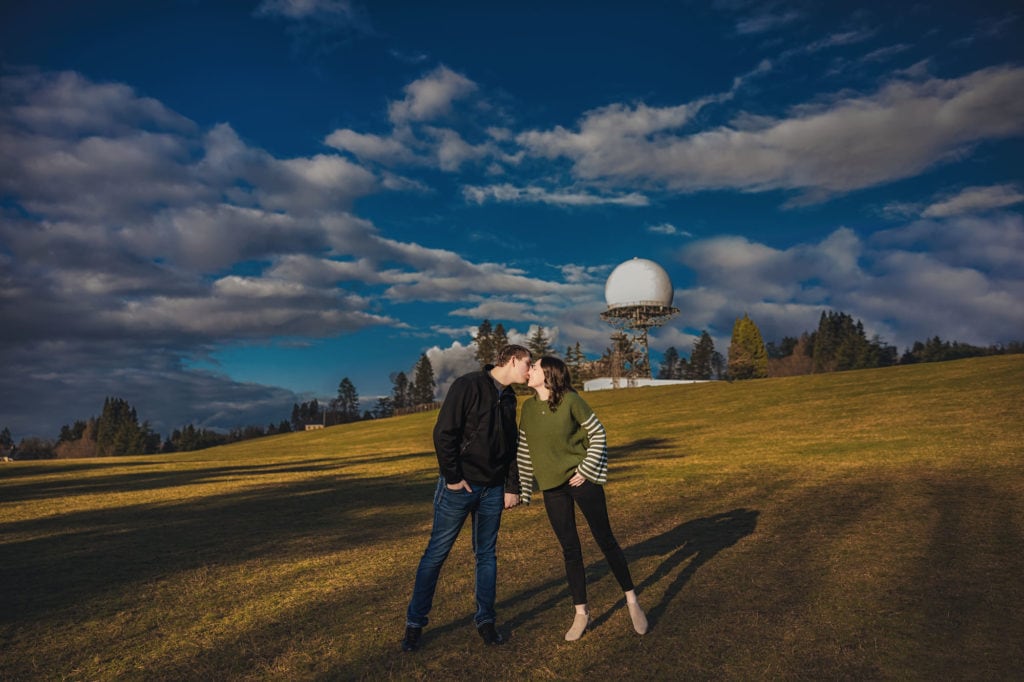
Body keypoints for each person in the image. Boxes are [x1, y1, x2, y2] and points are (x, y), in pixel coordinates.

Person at [401, 344, 532, 652]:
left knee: (486, 556)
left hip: (493, 491)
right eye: (528, 363)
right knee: (436, 554)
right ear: (513, 360)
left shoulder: (511, 398)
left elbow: (510, 447)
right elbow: (443, 432)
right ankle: (414, 624)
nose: (530, 369)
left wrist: (511, 487)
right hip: (459, 488)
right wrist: (453, 478)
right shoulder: (468, 385)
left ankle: (486, 621)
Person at [517, 356, 648, 641]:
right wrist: (523, 490)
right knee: (570, 549)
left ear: (549, 374)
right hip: (552, 488)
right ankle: (581, 613)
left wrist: (586, 470)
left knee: (605, 540)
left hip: (581, 481)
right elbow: (525, 450)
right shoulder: (526, 408)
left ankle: (632, 601)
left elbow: (598, 433)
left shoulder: (571, 401)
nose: (529, 371)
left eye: (535, 367)